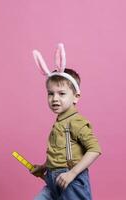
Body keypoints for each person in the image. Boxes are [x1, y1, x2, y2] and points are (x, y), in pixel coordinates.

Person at [31, 43, 101, 200]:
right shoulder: (60, 122)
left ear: (76, 96)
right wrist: (44, 167)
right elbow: (61, 154)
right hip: (52, 180)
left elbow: (95, 150)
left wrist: (72, 173)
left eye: (61, 93)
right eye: (50, 93)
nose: (55, 98)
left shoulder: (76, 122)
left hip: (72, 181)